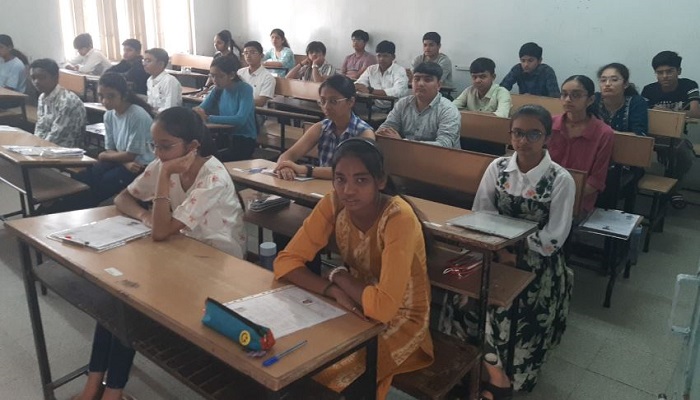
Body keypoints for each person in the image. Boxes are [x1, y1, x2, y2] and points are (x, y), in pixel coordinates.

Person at [72, 107, 246, 400]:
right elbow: (123, 198)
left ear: (192, 147)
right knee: (116, 297)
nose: (158, 153)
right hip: (181, 251)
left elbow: (162, 231)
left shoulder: (212, 177)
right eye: (155, 146)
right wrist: (144, 215)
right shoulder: (165, 161)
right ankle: (94, 386)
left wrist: (164, 175)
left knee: (129, 303)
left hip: (219, 269)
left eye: (166, 146)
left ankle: (112, 393)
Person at [274, 138, 434, 400]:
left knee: (331, 373)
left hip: (402, 316)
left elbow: (384, 308)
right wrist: (331, 289)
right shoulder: (333, 203)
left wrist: (339, 275)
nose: (348, 190)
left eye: (361, 180)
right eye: (340, 179)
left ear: (380, 181)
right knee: (298, 356)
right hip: (353, 302)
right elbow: (285, 262)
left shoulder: (399, 218)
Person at [441, 105, 575, 398]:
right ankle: (466, 366)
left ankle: (500, 378)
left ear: (547, 138)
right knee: (462, 290)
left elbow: (553, 238)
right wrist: (500, 250)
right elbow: (482, 212)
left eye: (533, 134)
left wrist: (515, 251)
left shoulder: (560, 179)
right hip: (493, 249)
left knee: (503, 304)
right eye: (518, 133)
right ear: (510, 134)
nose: (523, 141)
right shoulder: (498, 167)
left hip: (537, 259)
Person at [71, 73, 155, 208]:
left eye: (111, 96)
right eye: (101, 96)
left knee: (104, 183)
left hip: (141, 166)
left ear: (124, 95)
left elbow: (131, 155)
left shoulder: (137, 115)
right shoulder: (109, 115)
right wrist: (122, 161)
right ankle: (63, 207)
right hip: (124, 161)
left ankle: (74, 210)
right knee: (85, 176)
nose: (105, 101)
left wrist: (104, 156)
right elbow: (110, 149)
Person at [275, 75, 374, 180]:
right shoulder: (321, 127)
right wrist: (284, 167)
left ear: (350, 102)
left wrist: (305, 170)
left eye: (333, 101)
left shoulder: (364, 133)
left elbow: (348, 171)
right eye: (322, 101)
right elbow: (288, 155)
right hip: (322, 185)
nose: (326, 106)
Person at [641, 51, 699, 209]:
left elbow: (696, 112)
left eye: (669, 71)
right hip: (654, 135)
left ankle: (673, 190)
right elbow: (642, 115)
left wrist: (668, 113)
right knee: (633, 149)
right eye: (660, 72)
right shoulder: (648, 90)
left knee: (685, 157)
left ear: (678, 71)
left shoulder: (689, 85)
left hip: (678, 136)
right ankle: (636, 184)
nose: (665, 76)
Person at [549, 75, 614, 214]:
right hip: (544, 192)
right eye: (564, 94)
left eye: (576, 95)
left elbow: (596, 180)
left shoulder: (603, 133)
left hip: (579, 199)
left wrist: (561, 197)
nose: (568, 99)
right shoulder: (549, 123)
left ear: (590, 100)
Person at [593, 62, 648, 209]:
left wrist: (607, 134)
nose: (607, 84)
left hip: (627, 162)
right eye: (603, 80)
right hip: (595, 157)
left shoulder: (637, 102)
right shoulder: (594, 100)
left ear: (625, 84)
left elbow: (640, 135)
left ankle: (603, 214)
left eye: (614, 79)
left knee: (610, 173)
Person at [376, 62, 460, 148]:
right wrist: (383, 133)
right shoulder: (403, 104)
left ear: (438, 85)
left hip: (439, 156)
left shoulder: (448, 109)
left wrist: (402, 142)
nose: (420, 84)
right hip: (404, 152)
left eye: (427, 80)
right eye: (416, 79)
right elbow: (386, 128)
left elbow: (445, 144)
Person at [194, 56, 257, 162]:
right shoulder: (217, 89)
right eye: (212, 76)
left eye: (220, 76)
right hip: (223, 136)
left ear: (231, 75)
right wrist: (197, 112)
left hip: (243, 140)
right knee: (199, 155)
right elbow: (200, 109)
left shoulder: (245, 89)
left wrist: (208, 118)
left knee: (210, 160)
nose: (215, 80)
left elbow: (240, 119)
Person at [29, 58, 86, 148]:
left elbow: (57, 136)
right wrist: (34, 145)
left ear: (55, 78)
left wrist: (37, 149)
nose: (36, 82)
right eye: (33, 78)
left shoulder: (67, 101)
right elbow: (40, 127)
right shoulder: (42, 97)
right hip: (46, 147)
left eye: (42, 77)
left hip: (65, 150)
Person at [354, 40, 409, 110]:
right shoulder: (371, 69)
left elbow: (398, 91)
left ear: (393, 57)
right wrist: (358, 87)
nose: (381, 59)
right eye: (378, 56)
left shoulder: (399, 70)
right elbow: (360, 84)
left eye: (385, 56)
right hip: (375, 107)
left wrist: (371, 91)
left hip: (395, 109)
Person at [238, 41, 276, 107]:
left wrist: (237, 101)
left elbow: (260, 102)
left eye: (252, 52)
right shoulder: (240, 73)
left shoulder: (268, 77)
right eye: (246, 53)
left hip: (257, 111)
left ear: (261, 55)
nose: (248, 56)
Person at [143, 48, 182, 113]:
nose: (144, 64)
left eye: (148, 61)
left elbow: (170, 108)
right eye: (144, 60)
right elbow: (150, 104)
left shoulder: (169, 81)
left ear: (160, 64)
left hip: (169, 117)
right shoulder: (149, 80)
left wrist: (154, 112)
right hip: (155, 115)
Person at [0, 34, 28, 109]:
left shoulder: (16, 65)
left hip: (13, 98)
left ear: (10, 48)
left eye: (1, 47)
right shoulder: (1, 61)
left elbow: (9, 89)